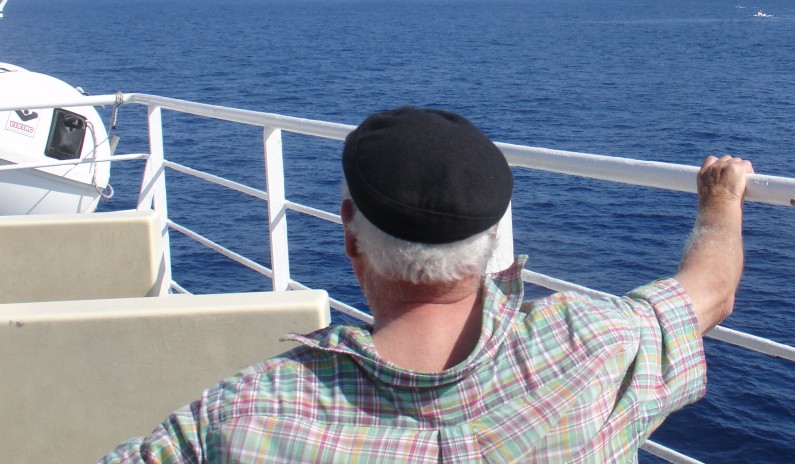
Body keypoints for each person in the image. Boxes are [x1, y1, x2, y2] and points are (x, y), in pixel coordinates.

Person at [100, 106, 753, 463]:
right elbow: (711, 289)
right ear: (491, 244)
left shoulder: (243, 419)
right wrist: (721, 200)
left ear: (351, 237)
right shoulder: (592, 346)